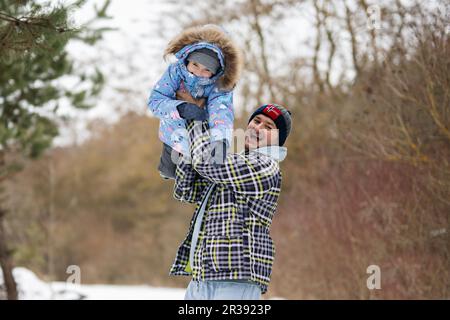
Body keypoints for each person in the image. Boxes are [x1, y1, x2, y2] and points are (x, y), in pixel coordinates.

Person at [170, 97, 292, 300]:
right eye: (256, 121)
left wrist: (196, 120)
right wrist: (183, 143)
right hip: (202, 276)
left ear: (278, 140)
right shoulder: (233, 161)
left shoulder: (266, 166)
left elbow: (208, 164)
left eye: (269, 127)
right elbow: (186, 190)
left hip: (236, 279)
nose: (258, 127)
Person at [147, 24, 243, 179]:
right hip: (174, 132)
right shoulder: (175, 72)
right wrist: (181, 108)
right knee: (169, 171)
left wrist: (221, 140)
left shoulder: (219, 85)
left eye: (206, 70)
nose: (198, 72)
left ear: (216, 71)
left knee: (200, 175)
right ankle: (169, 170)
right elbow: (155, 100)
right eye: (195, 65)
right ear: (188, 59)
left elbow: (221, 111)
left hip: (201, 134)